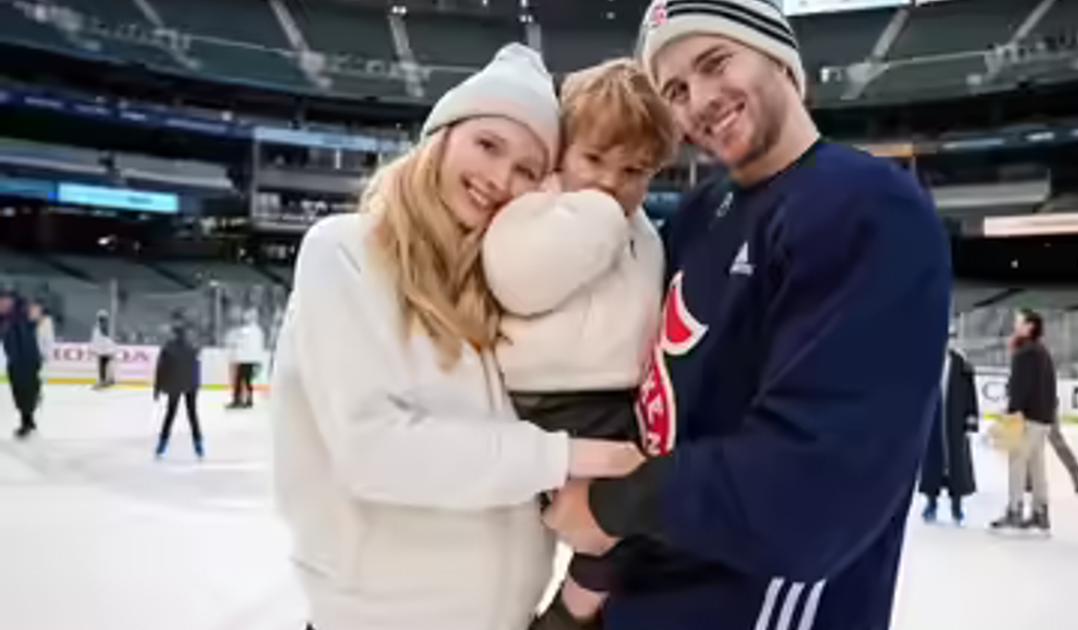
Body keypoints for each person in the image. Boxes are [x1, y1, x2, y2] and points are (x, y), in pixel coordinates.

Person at [541, 4, 953, 629]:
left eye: (715, 63)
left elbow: (813, 490)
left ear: (779, 57)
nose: (701, 100)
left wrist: (611, 504)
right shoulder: (698, 214)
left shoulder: (865, 208)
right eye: (676, 90)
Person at [270, 43, 642, 630]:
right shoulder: (346, 252)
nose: (500, 179)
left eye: (527, 170)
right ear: (441, 137)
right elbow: (374, 452)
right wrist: (564, 454)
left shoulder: (498, 291)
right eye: (488, 145)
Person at [481, 58, 678, 629]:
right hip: (550, 401)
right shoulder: (534, 208)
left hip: (617, 403)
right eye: (593, 159)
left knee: (652, 519)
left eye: (634, 170)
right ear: (562, 149)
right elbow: (519, 282)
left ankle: (577, 610)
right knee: (632, 518)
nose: (610, 182)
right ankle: (568, 617)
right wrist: (598, 216)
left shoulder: (644, 233)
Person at [991, 309, 1056, 533]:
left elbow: (1020, 387)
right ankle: (1040, 512)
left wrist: (1012, 414)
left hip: (1027, 418)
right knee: (1037, 467)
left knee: (1017, 464)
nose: (1015, 325)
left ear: (1030, 327)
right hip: (1043, 418)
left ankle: (1015, 510)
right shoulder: (1042, 351)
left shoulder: (1025, 353)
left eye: (1019, 321)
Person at [919, 339, 980, 526]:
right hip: (934, 419)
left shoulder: (961, 363)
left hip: (955, 420)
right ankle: (931, 503)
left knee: (957, 463)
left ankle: (956, 506)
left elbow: (970, 392)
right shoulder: (928, 359)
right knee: (932, 462)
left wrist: (971, 417)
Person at [153, 322, 204, 460]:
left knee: (170, 414)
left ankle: (162, 445)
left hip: (175, 385)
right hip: (190, 385)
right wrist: (196, 385)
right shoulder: (192, 348)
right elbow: (196, 367)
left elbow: (160, 369)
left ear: (174, 334)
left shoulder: (168, 348)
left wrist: (157, 388)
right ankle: (199, 445)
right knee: (192, 414)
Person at [1, 291, 43, 439]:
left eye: (4, 301)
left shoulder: (23, 315)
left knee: (27, 391)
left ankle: (26, 421)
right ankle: (28, 418)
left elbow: (35, 318)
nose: (2, 305)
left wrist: (33, 309)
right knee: (18, 392)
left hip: (28, 360)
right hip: (14, 361)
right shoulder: (3, 321)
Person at [226, 310, 265, 409]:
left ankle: (238, 400)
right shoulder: (259, 331)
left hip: (244, 359)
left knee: (239, 380)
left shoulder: (246, 330)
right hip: (252, 359)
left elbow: (238, 342)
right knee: (247, 381)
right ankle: (248, 400)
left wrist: (235, 347)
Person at [91, 310, 116, 389]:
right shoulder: (100, 326)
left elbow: (103, 338)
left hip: (105, 350)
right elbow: (97, 339)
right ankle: (109, 380)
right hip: (104, 349)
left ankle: (104, 381)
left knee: (103, 365)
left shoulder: (102, 326)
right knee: (105, 365)